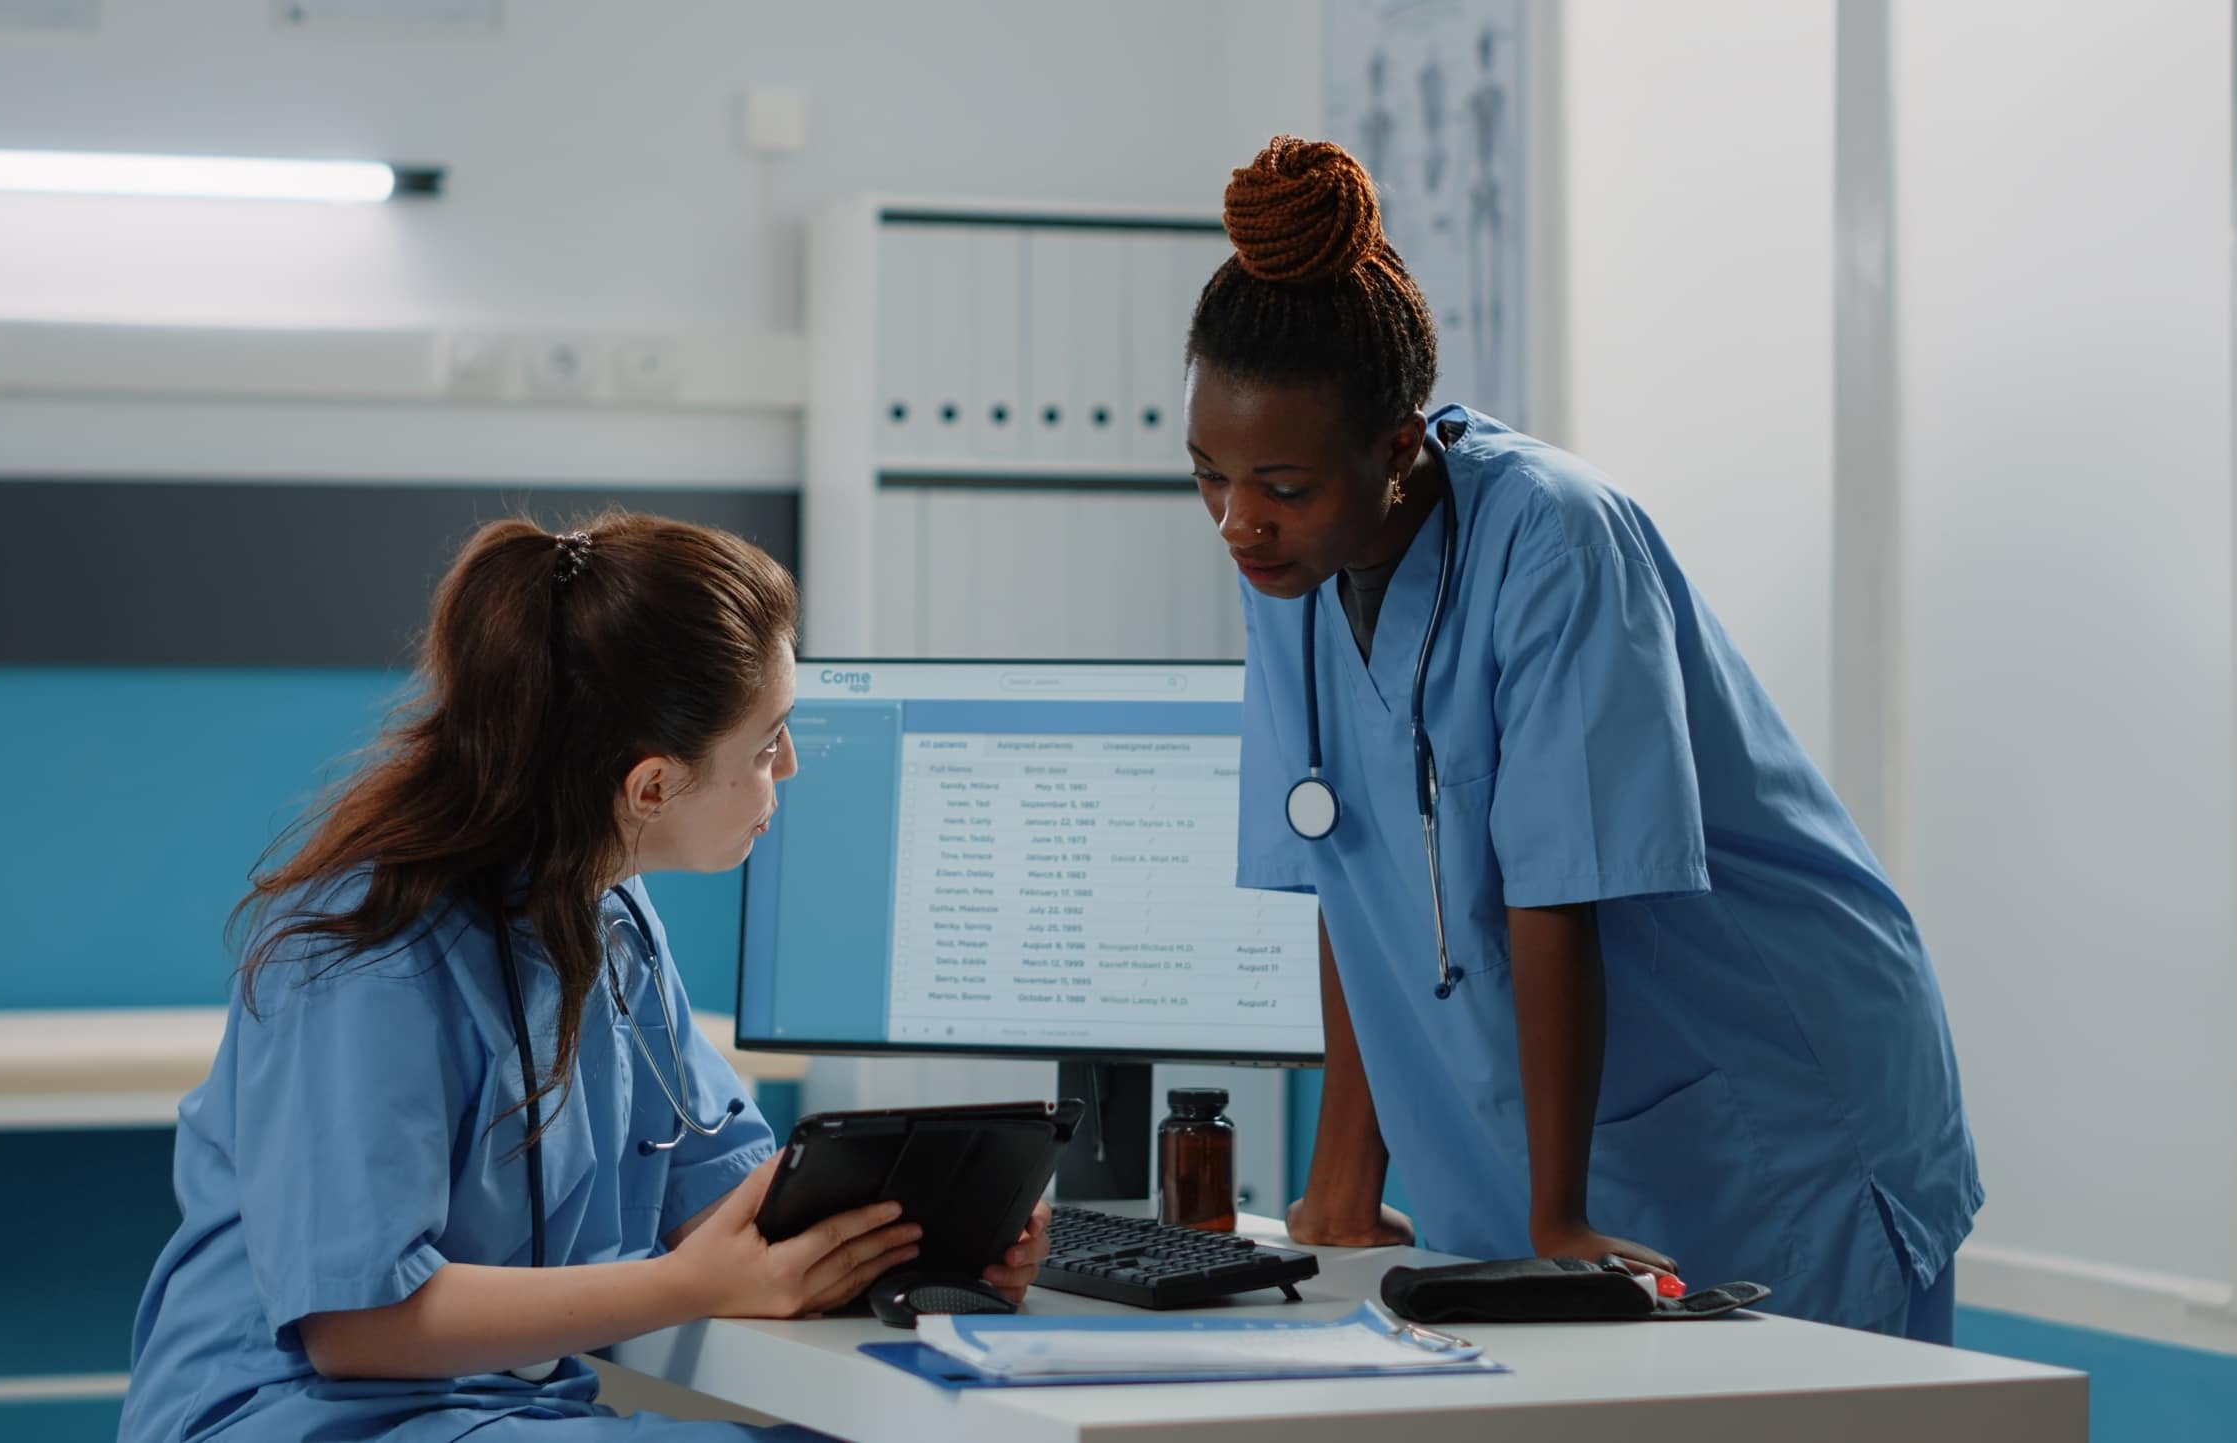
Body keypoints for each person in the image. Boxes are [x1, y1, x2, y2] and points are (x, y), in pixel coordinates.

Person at [1189, 137, 1979, 1340]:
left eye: (1280, 487)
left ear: (1396, 450)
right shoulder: (1289, 554)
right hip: (1554, 1114)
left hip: (1763, 1086)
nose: (1239, 522)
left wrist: (1558, 1218)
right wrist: (1343, 1179)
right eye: (1209, 476)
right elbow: (1347, 872)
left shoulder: (1555, 541)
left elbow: (1563, 888)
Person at [120, 513, 1050, 1441]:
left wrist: (929, 1239)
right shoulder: (367, 956)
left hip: (504, 1407)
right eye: (769, 743)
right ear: (650, 787)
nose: (791, 766)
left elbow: (722, 1208)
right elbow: (353, 1324)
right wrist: (685, 1286)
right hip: (303, 1417)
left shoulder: (613, 920)